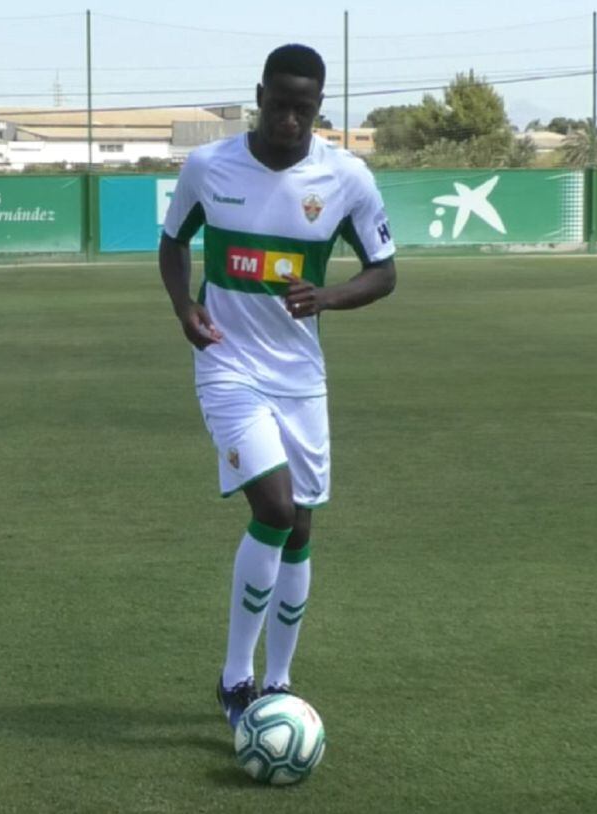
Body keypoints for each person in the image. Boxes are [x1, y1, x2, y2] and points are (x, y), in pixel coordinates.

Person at [158, 43, 397, 730]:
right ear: (258, 96)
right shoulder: (209, 166)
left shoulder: (345, 178)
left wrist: (329, 297)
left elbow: (383, 271)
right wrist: (183, 308)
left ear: (318, 107)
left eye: (305, 108)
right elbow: (173, 243)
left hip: (300, 377)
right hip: (228, 362)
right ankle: (235, 679)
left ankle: (279, 680)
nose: (291, 119)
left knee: (302, 528)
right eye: (280, 104)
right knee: (274, 509)